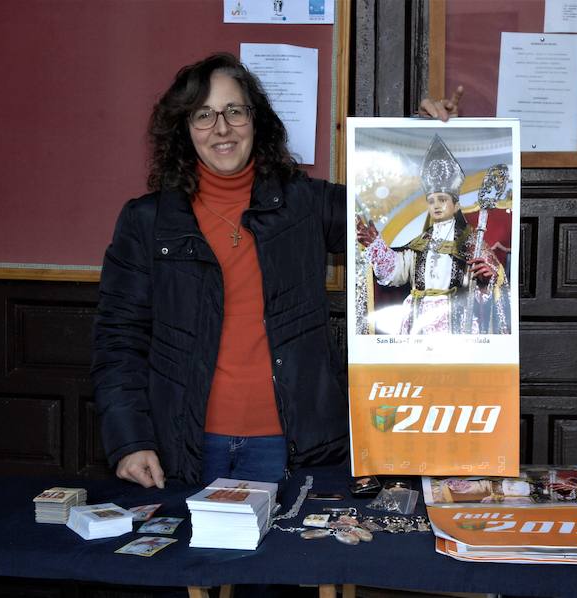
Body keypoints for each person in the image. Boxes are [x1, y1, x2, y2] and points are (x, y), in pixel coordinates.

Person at [91, 51, 461, 488]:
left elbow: (385, 214)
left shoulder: (303, 203)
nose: (222, 128)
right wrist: (130, 441)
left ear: (256, 120)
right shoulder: (147, 221)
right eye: (203, 115)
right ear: (184, 129)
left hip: (289, 447)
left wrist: (419, 134)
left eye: (234, 111)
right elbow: (118, 339)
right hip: (184, 449)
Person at [356, 135, 510, 335]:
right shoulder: (421, 243)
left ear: (455, 204)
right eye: (432, 200)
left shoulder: (470, 241)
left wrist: (485, 283)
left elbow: (491, 285)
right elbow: (397, 273)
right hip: (417, 319)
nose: (436, 205)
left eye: (442, 199)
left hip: (454, 319)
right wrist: (376, 247)